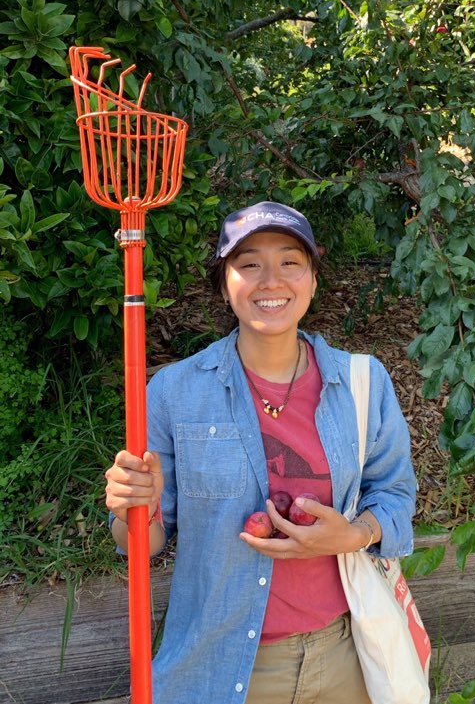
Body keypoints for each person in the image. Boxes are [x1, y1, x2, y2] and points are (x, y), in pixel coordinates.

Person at [104, 200, 417, 704]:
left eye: (290, 262)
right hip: (223, 667)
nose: (271, 280)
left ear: (313, 279)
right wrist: (133, 508)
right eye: (249, 263)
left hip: (347, 658)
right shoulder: (174, 393)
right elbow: (143, 543)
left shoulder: (363, 383)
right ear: (224, 285)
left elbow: (397, 498)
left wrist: (355, 533)